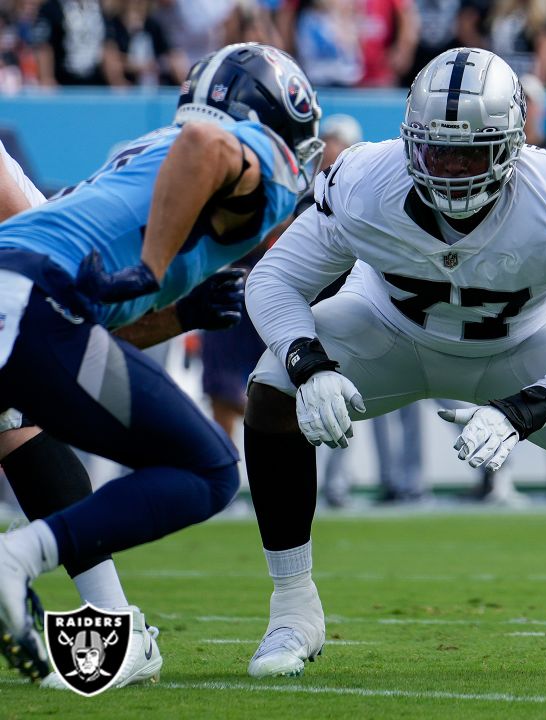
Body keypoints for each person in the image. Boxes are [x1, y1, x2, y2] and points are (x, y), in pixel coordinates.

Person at [239, 48, 546, 677]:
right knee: (271, 391)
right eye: (435, 150)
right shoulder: (363, 181)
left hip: (520, 346)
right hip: (387, 328)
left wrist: (525, 408)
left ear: (511, 144)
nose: (450, 168)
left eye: (470, 152)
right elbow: (271, 283)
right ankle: (292, 611)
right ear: (408, 141)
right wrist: (309, 364)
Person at [0, 42, 322, 683]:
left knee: (24, 435)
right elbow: (206, 144)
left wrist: (179, 315)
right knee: (208, 467)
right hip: (29, 298)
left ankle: (89, 605)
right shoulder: (237, 150)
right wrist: (152, 268)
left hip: (25, 305)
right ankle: (17, 559)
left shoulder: (149, 162)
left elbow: (99, 329)